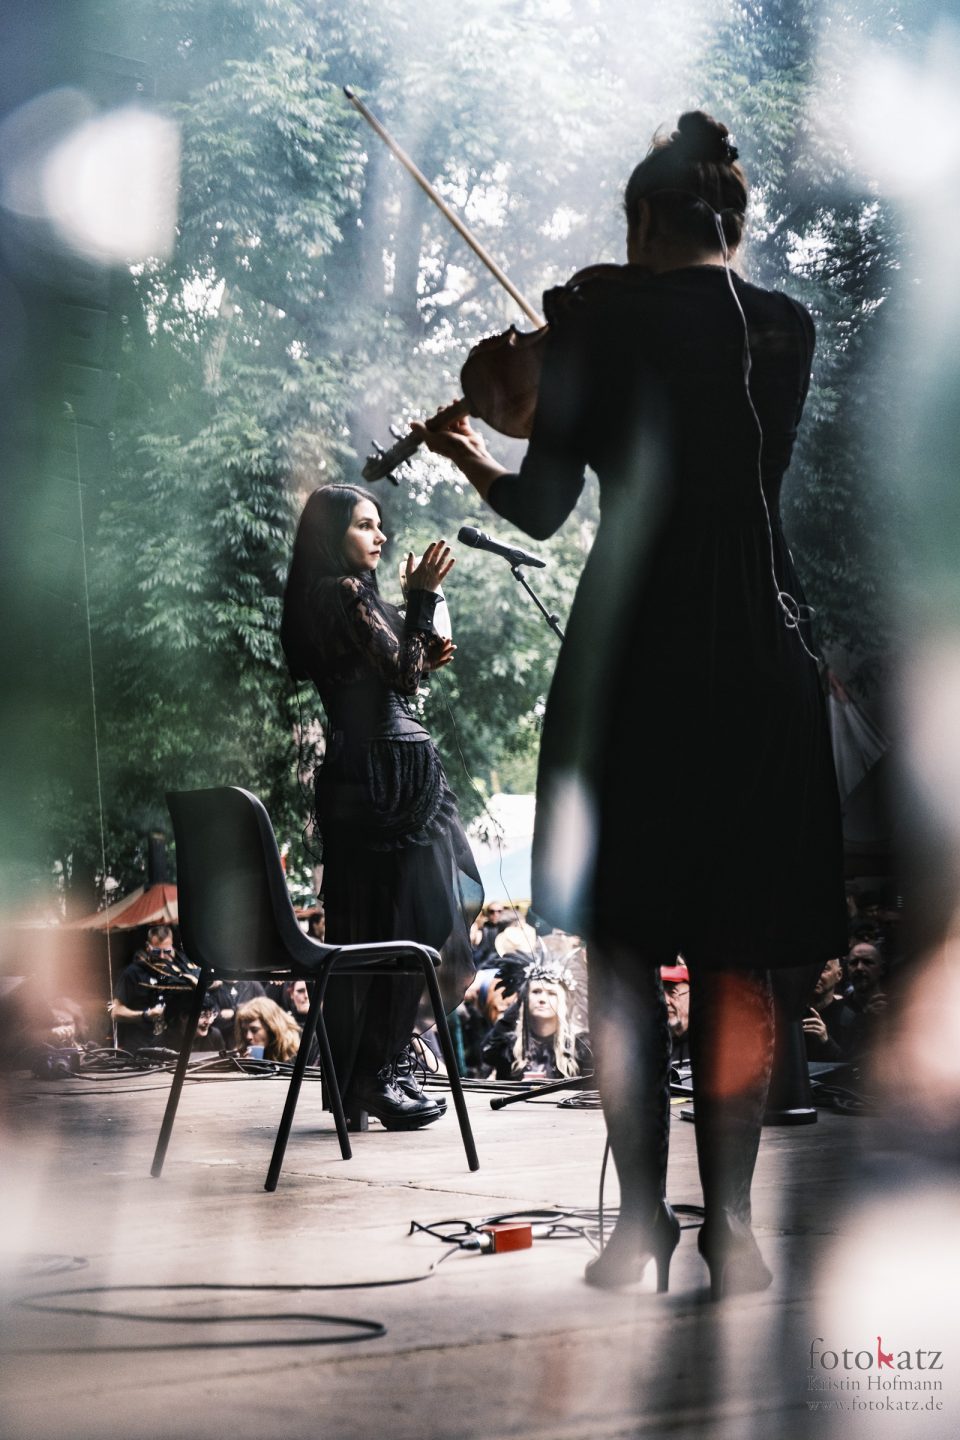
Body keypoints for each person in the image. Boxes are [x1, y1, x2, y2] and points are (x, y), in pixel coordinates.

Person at [416, 111, 846, 1296]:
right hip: (759, 653)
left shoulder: (599, 322)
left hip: (639, 655)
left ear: (644, 216)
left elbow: (546, 508)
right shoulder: (786, 329)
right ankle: (736, 1230)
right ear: (731, 221)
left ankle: (641, 1224)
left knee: (623, 953)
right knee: (737, 960)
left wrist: (480, 450)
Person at [280, 483, 482, 1130]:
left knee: (380, 927)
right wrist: (420, 599)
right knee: (416, 924)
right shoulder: (341, 592)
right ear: (330, 533)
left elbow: (401, 670)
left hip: (375, 772)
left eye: (379, 524)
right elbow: (402, 675)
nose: (381, 535)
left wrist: (416, 634)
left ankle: (372, 1072)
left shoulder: (331, 597)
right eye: (365, 525)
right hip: (388, 778)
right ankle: (377, 1069)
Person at [482, 964, 591, 1082]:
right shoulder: (508, 1046)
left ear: (564, 1001)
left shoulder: (580, 1047)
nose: (542, 999)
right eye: (536, 991)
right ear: (525, 998)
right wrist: (519, 1005)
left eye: (551, 993)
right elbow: (487, 1054)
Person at [108, 925, 199, 1054]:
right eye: (156, 951)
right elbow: (115, 1012)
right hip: (139, 1045)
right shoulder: (133, 973)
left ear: (172, 948)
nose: (161, 956)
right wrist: (145, 1015)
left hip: (172, 1044)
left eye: (166, 951)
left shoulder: (181, 971)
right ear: (148, 947)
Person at [234, 996, 305, 1062]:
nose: (248, 1036)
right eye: (244, 1031)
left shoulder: (302, 1044)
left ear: (271, 1027)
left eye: (254, 1030)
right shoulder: (249, 1050)